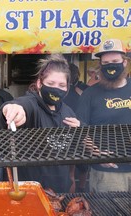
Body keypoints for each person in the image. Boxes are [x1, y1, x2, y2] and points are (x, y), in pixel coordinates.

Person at [0, 54, 81, 193]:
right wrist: (11, 109)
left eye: (61, 85)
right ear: (39, 83)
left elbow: (72, 152)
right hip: (32, 192)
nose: (56, 89)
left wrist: (71, 179)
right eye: (50, 84)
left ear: (67, 87)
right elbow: (18, 105)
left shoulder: (69, 112)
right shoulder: (31, 104)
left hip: (61, 192)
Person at [76, 38, 131, 192]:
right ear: (100, 65)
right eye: (106, 63)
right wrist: (97, 153)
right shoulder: (90, 94)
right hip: (108, 174)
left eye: (115, 61)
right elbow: (79, 130)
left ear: (124, 62)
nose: (111, 66)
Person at [63, 63, 89, 192]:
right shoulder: (81, 91)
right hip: (79, 130)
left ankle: (73, 195)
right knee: (80, 167)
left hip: (67, 132)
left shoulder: (63, 92)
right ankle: (82, 188)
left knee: (71, 172)